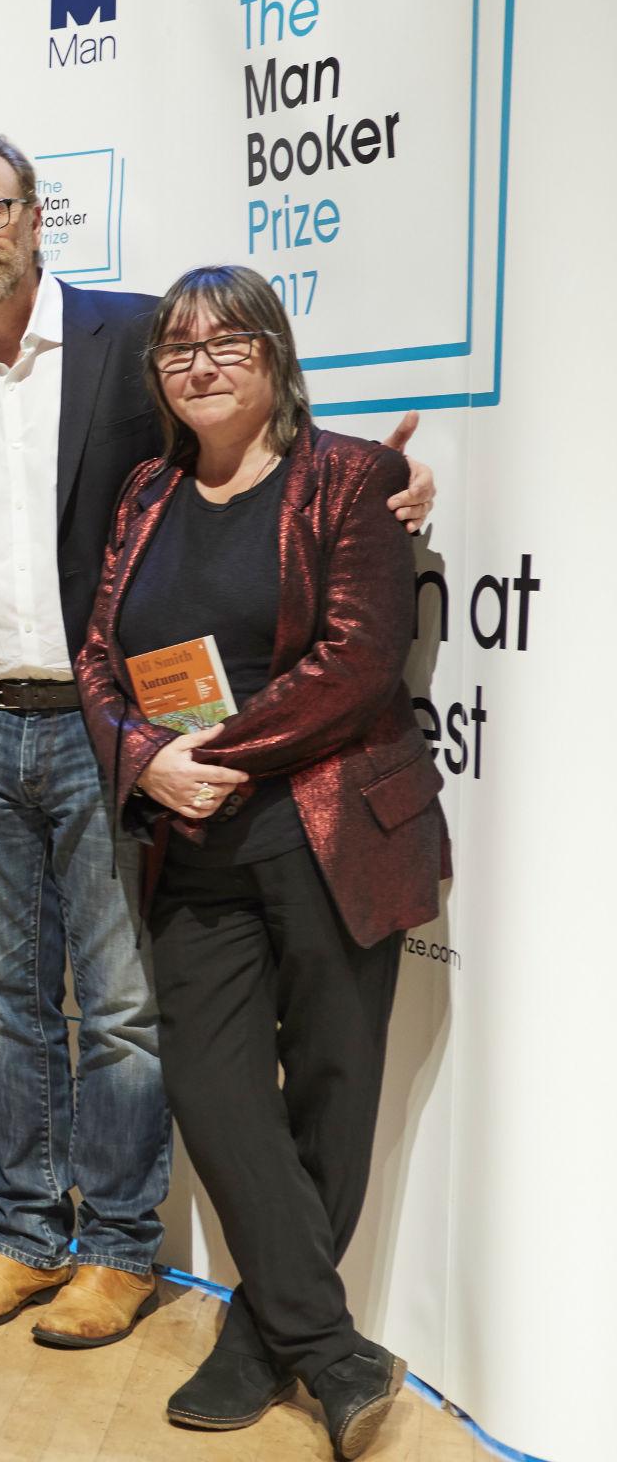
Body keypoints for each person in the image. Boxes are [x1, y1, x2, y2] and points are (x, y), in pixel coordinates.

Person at [0, 134, 436, 1348]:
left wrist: (386, 486)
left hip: (114, 728)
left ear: (35, 215)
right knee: (4, 997)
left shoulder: (139, 342)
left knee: (123, 1004)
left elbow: (253, 435)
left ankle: (119, 1250)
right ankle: (24, 1233)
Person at [74, 264, 449, 1459]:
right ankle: (333, 1352)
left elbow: (355, 663)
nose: (198, 363)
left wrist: (202, 755)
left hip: (330, 834)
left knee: (331, 1092)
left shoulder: (352, 479)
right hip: (194, 844)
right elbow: (95, 656)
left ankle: (261, 1334)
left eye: (226, 342)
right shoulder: (143, 491)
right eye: (176, 348)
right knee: (212, 1089)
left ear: (276, 355)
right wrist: (144, 760)